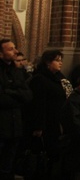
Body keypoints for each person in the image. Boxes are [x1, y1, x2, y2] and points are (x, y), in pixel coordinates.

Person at [24, 49, 73, 178]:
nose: (60, 63)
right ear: (47, 62)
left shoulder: (58, 78)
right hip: (46, 124)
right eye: (57, 60)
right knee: (43, 155)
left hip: (56, 122)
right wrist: (38, 126)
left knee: (54, 155)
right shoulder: (40, 79)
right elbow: (38, 104)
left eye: (61, 60)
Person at [0, 39, 32, 179]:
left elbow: (28, 95)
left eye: (15, 48)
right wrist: (18, 96)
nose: (16, 51)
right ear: (1, 54)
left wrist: (10, 92)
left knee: (9, 162)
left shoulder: (17, 71)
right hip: (1, 124)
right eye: (10, 49)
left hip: (16, 125)